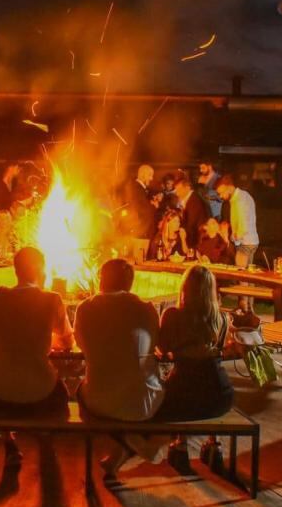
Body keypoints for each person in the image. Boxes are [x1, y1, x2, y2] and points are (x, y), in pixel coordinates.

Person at [0, 247, 74, 464]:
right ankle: (46, 437)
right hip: (43, 396)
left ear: (16, 270)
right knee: (63, 392)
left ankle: (9, 442)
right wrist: (45, 342)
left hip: (1, 397)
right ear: (41, 270)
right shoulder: (52, 299)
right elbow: (69, 342)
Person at [74, 259, 164, 477]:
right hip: (144, 403)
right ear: (130, 283)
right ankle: (131, 445)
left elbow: (80, 345)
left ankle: (128, 442)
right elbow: (156, 345)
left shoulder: (85, 308)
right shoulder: (147, 309)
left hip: (99, 401)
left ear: (101, 280)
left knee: (79, 392)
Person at [157, 266, 234, 460]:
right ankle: (214, 444)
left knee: (178, 387)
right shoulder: (222, 318)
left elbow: (162, 348)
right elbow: (220, 351)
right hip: (220, 395)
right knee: (200, 383)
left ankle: (181, 444)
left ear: (185, 288)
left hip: (184, 394)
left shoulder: (173, 315)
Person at [216, 175, 259, 313]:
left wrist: (231, 238)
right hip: (252, 241)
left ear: (229, 186)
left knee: (242, 278)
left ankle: (244, 309)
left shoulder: (239, 201)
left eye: (221, 192)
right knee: (249, 279)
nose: (221, 196)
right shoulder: (243, 196)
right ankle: (249, 310)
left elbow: (242, 228)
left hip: (245, 243)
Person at [121, 164, 157, 240]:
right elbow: (143, 210)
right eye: (150, 175)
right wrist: (154, 205)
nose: (151, 178)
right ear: (143, 174)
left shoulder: (141, 189)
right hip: (140, 233)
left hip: (141, 232)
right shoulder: (136, 189)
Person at [175, 176, 209, 251]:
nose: (177, 193)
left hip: (195, 241)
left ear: (187, 188)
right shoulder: (190, 200)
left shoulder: (194, 201)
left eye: (179, 190)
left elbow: (191, 225)